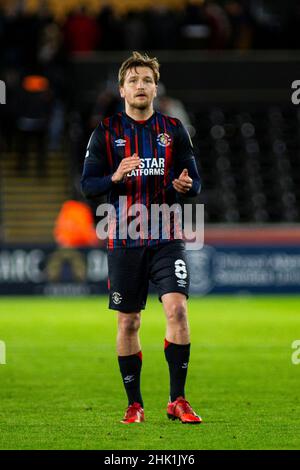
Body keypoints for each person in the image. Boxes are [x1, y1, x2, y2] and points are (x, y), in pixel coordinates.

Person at [81, 51, 202, 424]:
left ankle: (177, 400)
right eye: (133, 80)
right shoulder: (106, 132)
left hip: (167, 234)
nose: (140, 86)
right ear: (122, 89)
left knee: (177, 309)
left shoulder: (174, 129)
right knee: (128, 322)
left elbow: (195, 182)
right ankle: (134, 404)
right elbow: (87, 186)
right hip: (125, 237)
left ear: (155, 87)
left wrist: (186, 186)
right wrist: (113, 178)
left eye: (147, 80)